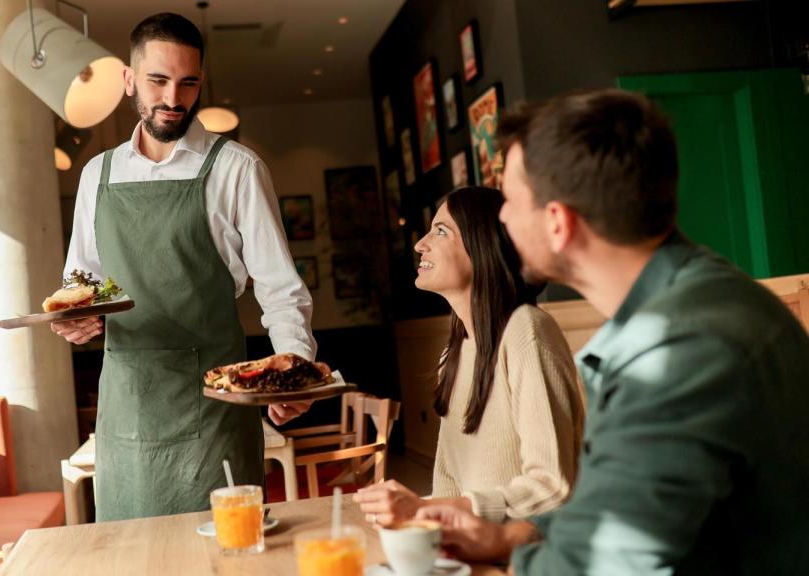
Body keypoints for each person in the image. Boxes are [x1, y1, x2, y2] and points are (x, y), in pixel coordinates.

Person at [416, 90, 809, 574]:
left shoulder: (679, 350)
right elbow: (624, 510)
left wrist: (511, 559)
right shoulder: (692, 300)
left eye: (512, 201)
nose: (500, 217)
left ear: (557, 223)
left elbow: (612, 562)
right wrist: (510, 535)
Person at [50, 13, 315, 522]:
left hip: (215, 407)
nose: (174, 98)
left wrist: (295, 368)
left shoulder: (237, 168)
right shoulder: (95, 176)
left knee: (225, 552)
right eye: (157, 80)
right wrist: (77, 321)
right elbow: (81, 287)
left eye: (188, 82)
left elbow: (281, 290)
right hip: (127, 408)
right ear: (129, 80)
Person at [354, 186, 585, 527]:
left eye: (441, 231)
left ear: (482, 247)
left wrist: (436, 510)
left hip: (530, 552)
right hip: (474, 547)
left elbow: (552, 487)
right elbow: (448, 481)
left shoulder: (527, 331)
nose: (420, 244)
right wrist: (429, 525)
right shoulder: (456, 352)